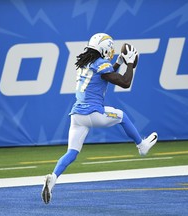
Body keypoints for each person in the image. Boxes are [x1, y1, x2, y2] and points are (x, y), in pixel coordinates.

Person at [41, 33, 158, 204]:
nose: (111, 52)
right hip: (93, 113)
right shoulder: (101, 64)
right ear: (104, 49)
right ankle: (142, 146)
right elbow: (125, 82)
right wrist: (131, 63)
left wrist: (118, 62)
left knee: (71, 152)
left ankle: (53, 177)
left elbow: (106, 76)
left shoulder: (85, 63)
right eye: (110, 49)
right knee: (122, 116)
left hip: (77, 115)